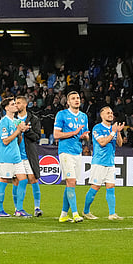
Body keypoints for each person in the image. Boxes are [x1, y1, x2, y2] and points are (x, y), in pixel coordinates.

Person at [82, 106, 124, 220]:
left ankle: (112, 214)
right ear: (102, 115)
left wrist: (118, 132)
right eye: (107, 113)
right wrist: (113, 132)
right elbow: (102, 142)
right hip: (99, 162)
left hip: (110, 163)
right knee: (95, 187)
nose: (110, 114)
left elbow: (120, 144)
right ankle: (85, 211)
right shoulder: (97, 128)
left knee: (111, 187)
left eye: (111, 113)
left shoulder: (113, 128)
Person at [54, 91, 90, 223]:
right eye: (73, 99)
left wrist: (84, 137)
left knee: (71, 182)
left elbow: (83, 134)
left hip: (77, 151)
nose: (77, 100)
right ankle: (75, 213)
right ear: (68, 102)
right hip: (65, 151)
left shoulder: (83, 117)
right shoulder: (62, 114)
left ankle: (63, 214)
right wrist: (74, 132)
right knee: (71, 181)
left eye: (78, 98)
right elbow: (56, 135)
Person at [0, 97, 31, 218]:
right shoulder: (4, 122)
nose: (15, 106)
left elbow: (18, 140)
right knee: (4, 181)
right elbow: (5, 141)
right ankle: (0, 210)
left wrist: (21, 131)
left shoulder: (15, 121)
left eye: (16, 104)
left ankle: (19, 209)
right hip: (6, 157)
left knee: (24, 180)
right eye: (12, 104)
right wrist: (17, 130)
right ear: (6, 108)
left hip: (17, 157)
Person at [16, 95, 43, 216]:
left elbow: (37, 137)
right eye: (15, 103)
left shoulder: (34, 119)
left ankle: (37, 208)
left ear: (25, 104)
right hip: (15, 155)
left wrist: (27, 131)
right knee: (17, 181)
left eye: (19, 103)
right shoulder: (12, 118)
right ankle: (18, 209)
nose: (16, 105)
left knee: (33, 179)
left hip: (28, 154)